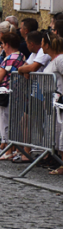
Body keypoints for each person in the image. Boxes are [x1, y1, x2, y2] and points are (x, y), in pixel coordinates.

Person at [0, 32, 25, 162]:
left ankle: (8, 150)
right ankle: (13, 149)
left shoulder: (10, 58)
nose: (2, 47)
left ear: (7, 44)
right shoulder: (21, 56)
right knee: (13, 121)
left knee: (5, 120)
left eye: (3, 44)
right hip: (18, 93)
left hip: (6, 94)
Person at [41, 35, 63, 174]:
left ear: (48, 44)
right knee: (57, 133)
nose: (41, 46)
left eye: (42, 43)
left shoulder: (60, 59)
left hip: (61, 102)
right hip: (54, 103)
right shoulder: (53, 60)